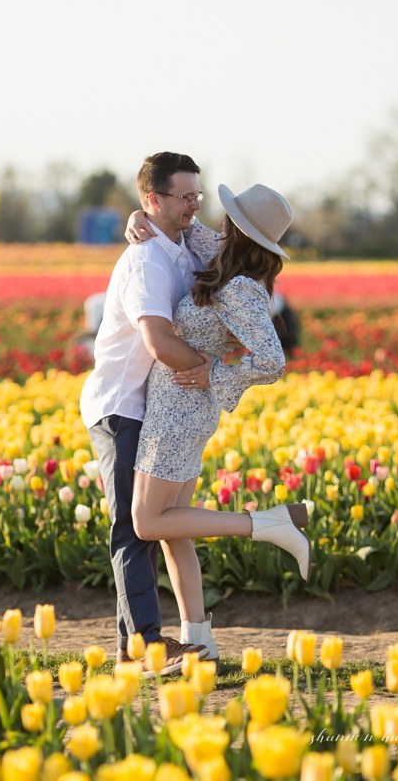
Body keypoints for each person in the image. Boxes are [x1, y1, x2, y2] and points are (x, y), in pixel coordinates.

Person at [122, 183, 312, 664]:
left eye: (230, 218)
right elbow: (171, 224)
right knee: (171, 530)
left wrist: (217, 373)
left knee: (146, 522)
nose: (216, 222)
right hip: (181, 407)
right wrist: (137, 215)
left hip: (178, 412)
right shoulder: (220, 252)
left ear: (239, 228)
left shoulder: (243, 287)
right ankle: (200, 640)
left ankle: (267, 524)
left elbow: (272, 361)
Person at [80, 152, 240, 677]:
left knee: (155, 525)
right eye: (184, 196)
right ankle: (145, 645)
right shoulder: (146, 259)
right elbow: (159, 340)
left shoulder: (181, 246)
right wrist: (214, 373)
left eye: (198, 195)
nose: (195, 204)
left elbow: (226, 251)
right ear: (153, 199)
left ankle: (152, 643)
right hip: (121, 404)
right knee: (134, 526)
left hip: (157, 407)